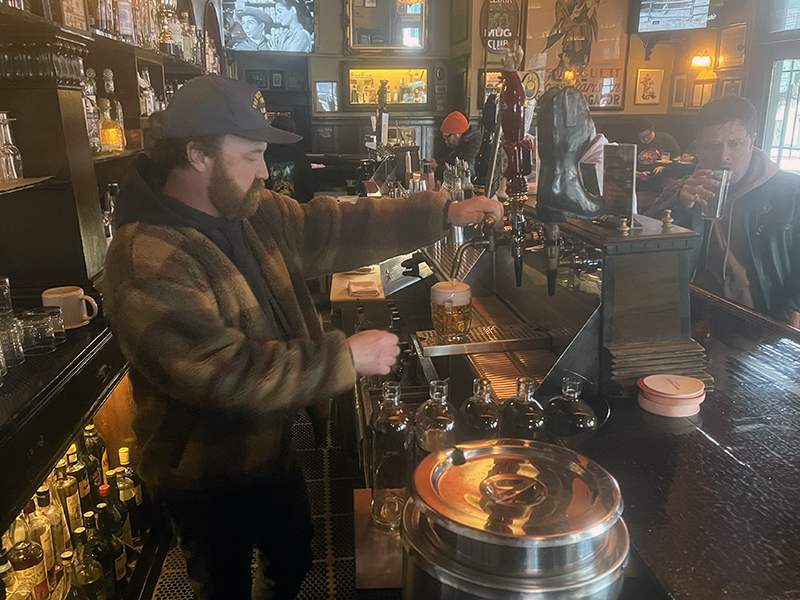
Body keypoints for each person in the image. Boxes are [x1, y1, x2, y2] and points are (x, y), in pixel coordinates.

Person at [100, 74, 503, 600]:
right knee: (222, 584)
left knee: (291, 556)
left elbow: (335, 225)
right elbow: (224, 372)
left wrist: (441, 211)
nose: (265, 171)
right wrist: (344, 357)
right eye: (250, 156)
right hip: (202, 471)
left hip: (272, 442)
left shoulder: (250, 209)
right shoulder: (145, 256)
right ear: (197, 154)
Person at [646, 95, 800, 327]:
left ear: (752, 141)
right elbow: (643, 251)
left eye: (735, 144)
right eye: (713, 146)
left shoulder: (791, 193)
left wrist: (781, 324)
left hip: (764, 319)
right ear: (697, 148)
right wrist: (680, 206)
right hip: (697, 315)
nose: (723, 156)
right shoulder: (683, 187)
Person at [263, 114, 316, 203]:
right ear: (293, 132)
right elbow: (309, 188)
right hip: (297, 207)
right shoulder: (300, 155)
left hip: (270, 207)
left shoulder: (264, 154)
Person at [428, 111, 481, 181]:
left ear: (457, 134)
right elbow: (450, 160)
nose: (446, 141)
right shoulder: (464, 141)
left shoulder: (475, 144)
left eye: (447, 137)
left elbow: (466, 173)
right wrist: (437, 162)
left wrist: (438, 169)